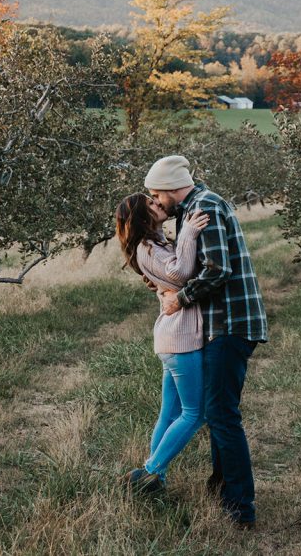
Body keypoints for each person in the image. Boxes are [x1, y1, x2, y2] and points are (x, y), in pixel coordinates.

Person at [144, 155, 268, 529]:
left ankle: (240, 508)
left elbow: (218, 268)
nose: (155, 201)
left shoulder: (207, 205)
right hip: (217, 324)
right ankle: (221, 489)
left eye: (155, 194)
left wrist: (178, 299)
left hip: (230, 323)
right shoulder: (190, 211)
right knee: (217, 414)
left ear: (167, 188)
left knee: (222, 416)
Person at [114, 192, 210, 494]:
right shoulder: (147, 247)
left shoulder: (152, 244)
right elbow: (180, 274)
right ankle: (147, 473)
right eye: (152, 205)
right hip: (179, 340)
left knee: (170, 413)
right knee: (196, 414)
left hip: (173, 338)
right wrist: (190, 234)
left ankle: (158, 480)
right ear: (143, 218)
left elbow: (171, 278)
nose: (160, 205)